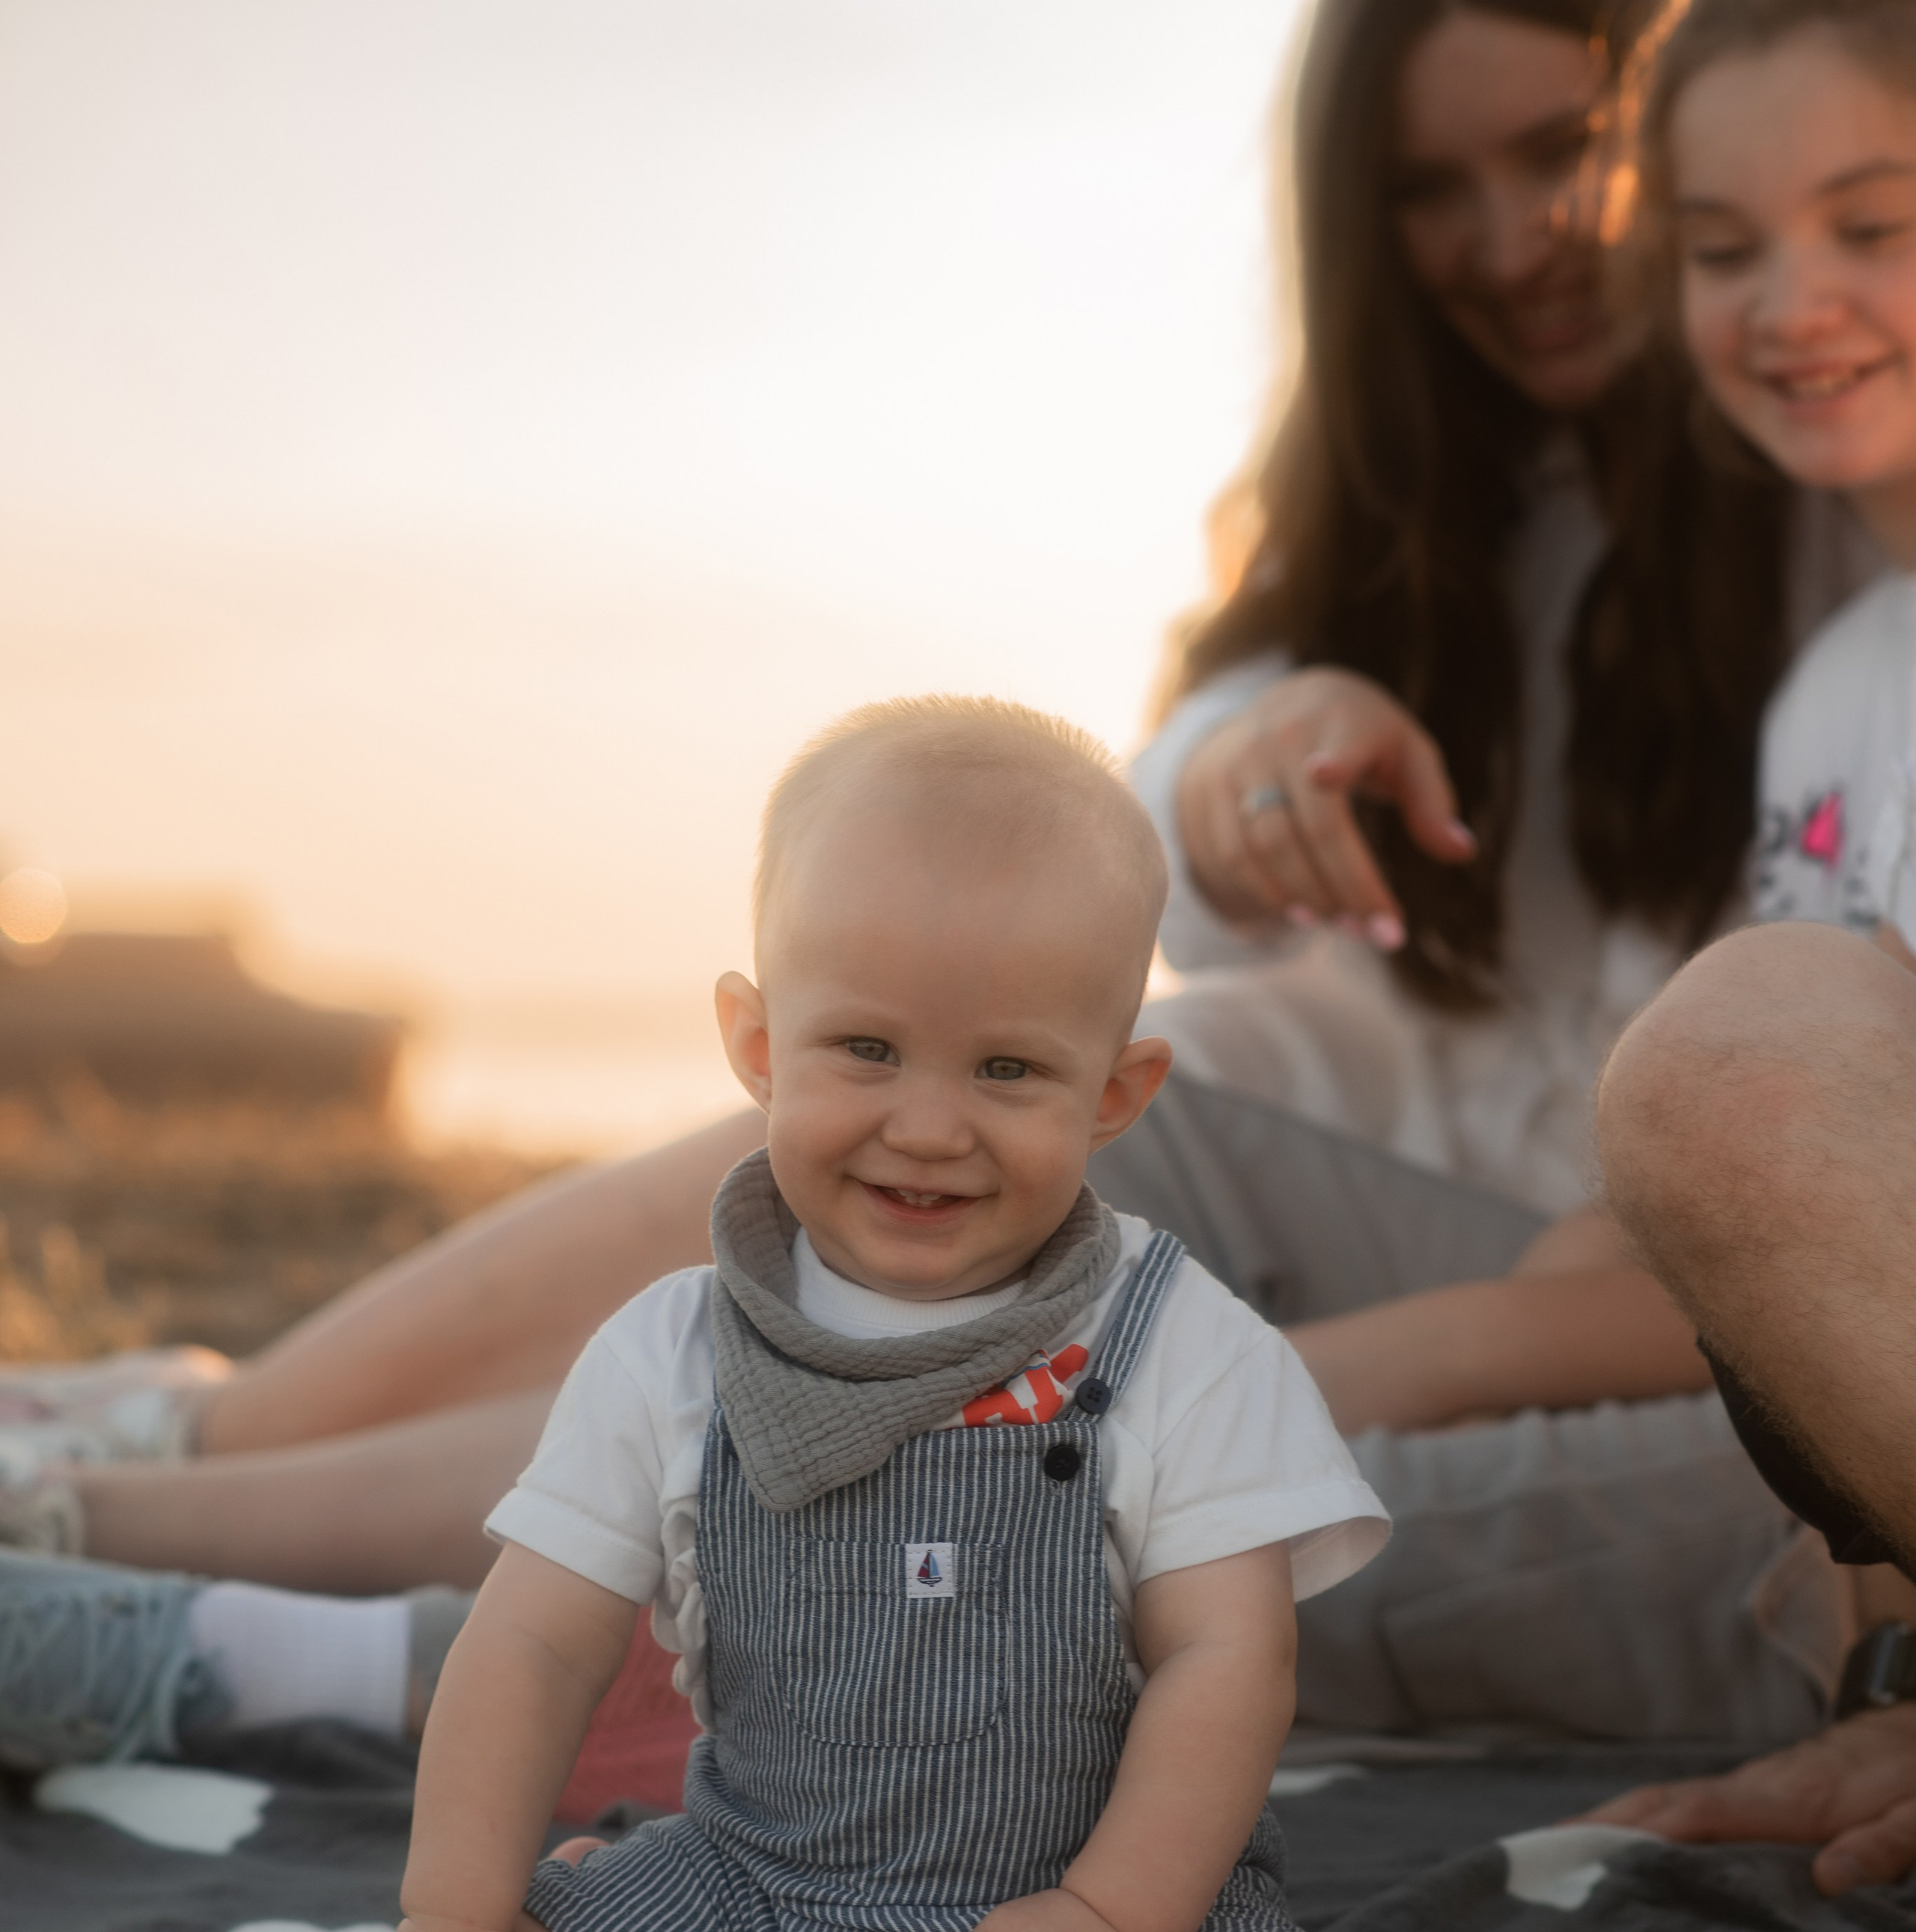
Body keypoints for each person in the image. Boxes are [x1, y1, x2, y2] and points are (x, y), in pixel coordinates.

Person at [0, 0, 1868, 1750]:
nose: (1514, 236)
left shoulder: (1836, 503)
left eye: (1566, 155)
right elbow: (1155, 835)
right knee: (939, 1147)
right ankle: (137, 1476)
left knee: (1068, 1419)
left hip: (1670, 1284)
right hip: (1495, 1204)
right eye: (1429, 189)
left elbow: (1746, 1165)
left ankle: (236, 1633)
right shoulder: (1473, 488)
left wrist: (1421, 1342)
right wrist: (1240, 759)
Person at [275, 700, 1378, 1932]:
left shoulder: (1180, 1347)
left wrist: (1101, 1918)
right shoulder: (675, 1349)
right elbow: (529, 1638)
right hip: (738, 1910)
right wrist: (450, 1921)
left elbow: (1228, 1663)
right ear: (753, 1042)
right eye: (863, 1049)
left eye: (1006, 1069)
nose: (925, 1127)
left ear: (1115, 1093)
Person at [1584, 0, 1916, 1887]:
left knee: (1736, 1051)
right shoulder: (1830, 693)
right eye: (1721, 249)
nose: (1786, 300)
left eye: (1869, 225)